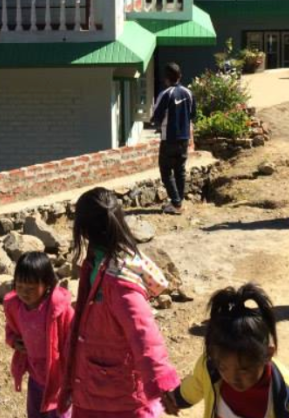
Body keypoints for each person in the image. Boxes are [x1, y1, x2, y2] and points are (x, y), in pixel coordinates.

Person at [60, 187, 180, 418]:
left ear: (84, 230)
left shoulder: (120, 279)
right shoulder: (97, 260)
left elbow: (144, 334)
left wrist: (162, 384)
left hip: (118, 397)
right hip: (92, 387)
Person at [161, 283, 289, 418]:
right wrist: (175, 399)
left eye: (244, 369)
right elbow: (197, 384)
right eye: (223, 368)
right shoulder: (210, 366)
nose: (232, 378)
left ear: (267, 354)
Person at [3, 251, 75, 418]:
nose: (24, 293)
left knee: (60, 414)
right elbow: (11, 329)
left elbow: (73, 337)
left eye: (31, 288)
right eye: (19, 286)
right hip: (35, 375)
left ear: (47, 284)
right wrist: (14, 341)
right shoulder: (16, 307)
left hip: (58, 377)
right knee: (35, 413)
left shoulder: (57, 310)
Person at [150, 62, 196, 215]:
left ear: (166, 78)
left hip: (169, 138)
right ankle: (179, 202)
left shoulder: (166, 94)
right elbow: (192, 115)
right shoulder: (188, 93)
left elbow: (156, 117)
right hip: (184, 138)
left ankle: (176, 203)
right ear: (180, 76)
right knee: (180, 170)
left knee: (165, 171)